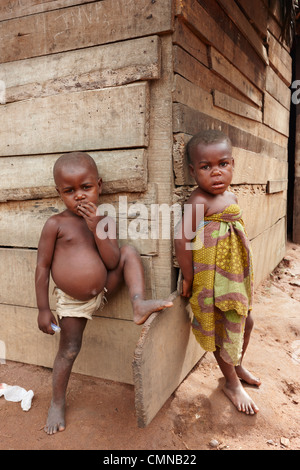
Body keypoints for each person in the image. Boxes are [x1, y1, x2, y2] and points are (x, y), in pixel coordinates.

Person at [35, 151, 173, 434]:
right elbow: (42, 267)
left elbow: (112, 261)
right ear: (59, 193)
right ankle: (57, 402)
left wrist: (96, 226)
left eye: (86, 188)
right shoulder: (55, 225)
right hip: (73, 302)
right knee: (69, 350)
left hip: (105, 287)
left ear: (100, 184)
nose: (80, 197)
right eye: (69, 191)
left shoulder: (103, 220)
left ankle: (138, 304)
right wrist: (43, 308)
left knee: (128, 253)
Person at [174, 129, 260, 415]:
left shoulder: (231, 196)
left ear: (233, 164)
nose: (216, 173)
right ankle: (231, 383)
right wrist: (188, 277)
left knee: (245, 322)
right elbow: (182, 239)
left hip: (233, 278)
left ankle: (236, 365)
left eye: (222, 164)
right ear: (192, 170)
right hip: (211, 283)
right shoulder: (199, 201)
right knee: (221, 329)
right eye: (205, 167)